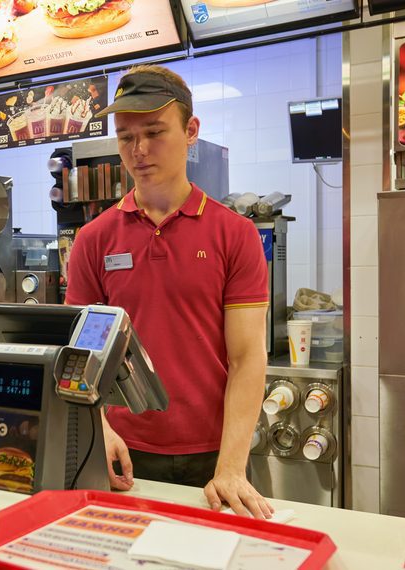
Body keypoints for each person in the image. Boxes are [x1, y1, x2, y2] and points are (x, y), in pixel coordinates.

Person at [65, 65, 275, 520]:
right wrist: (97, 431)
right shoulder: (93, 240)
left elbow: (247, 357)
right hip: (122, 455)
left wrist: (232, 468)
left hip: (217, 459)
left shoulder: (234, 235)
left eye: (154, 132)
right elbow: (80, 356)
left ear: (191, 130)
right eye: (125, 137)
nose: (138, 151)